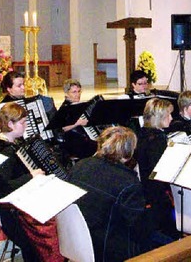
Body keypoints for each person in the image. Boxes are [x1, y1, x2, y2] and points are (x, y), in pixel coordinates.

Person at [0, 102, 63, 262]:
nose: (26, 125)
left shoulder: (5, 143)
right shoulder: (5, 151)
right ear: (10, 124)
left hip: (20, 199)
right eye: (23, 123)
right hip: (15, 213)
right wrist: (32, 176)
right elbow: (6, 187)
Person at [69, 126, 146, 261]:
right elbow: (138, 226)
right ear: (128, 152)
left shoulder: (80, 165)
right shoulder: (128, 183)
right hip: (108, 250)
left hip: (77, 239)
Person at [134, 98, 176, 242]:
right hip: (158, 194)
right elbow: (163, 171)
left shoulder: (143, 133)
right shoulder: (157, 140)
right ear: (158, 118)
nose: (171, 118)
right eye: (168, 115)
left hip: (147, 187)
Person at [58, 79, 97, 159]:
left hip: (80, 137)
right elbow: (63, 128)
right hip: (73, 142)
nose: (78, 94)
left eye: (79, 91)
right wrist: (77, 123)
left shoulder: (77, 105)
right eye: (74, 92)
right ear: (67, 93)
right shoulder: (65, 108)